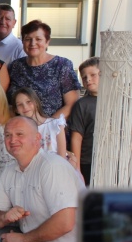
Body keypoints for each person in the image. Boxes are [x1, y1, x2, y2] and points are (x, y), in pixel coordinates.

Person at [7, 20, 81, 118]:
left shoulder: (62, 65)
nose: (33, 43)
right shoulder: (15, 66)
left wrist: (47, 125)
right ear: (22, 42)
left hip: (53, 125)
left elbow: (72, 104)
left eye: (38, 39)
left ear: (47, 42)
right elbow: (7, 102)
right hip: (19, 125)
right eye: (28, 39)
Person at [69, 57, 100, 185]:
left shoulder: (120, 100)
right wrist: (77, 169)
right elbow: (76, 138)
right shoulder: (82, 105)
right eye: (84, 77)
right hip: (88, 161)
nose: (88, 79)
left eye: (93, 75)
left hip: (115, 159)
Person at [13, 87, 67, 158]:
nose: (25, 107)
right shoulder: (20, 132)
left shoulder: (56, 124)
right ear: (16, 110)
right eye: (20, 104)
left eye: (28, 102)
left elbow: (62, 157)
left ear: (36, 102)